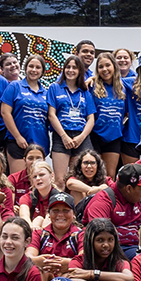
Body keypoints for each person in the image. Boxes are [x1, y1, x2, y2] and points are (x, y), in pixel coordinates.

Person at [46, 57, 98, 186]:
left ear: (80, 71)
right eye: (68, 67)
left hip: (81, 136)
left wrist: (81, 137)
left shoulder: (85, 91)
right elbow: (51, 115)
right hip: (62, 135)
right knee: (60, 180)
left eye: (74, 68)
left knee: (80, 181)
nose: (70, 70)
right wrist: (64, 136)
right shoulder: (55, 87)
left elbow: (91, 118)